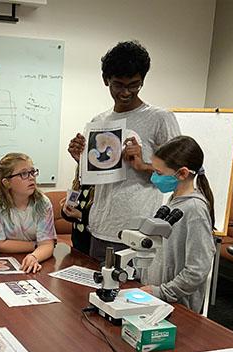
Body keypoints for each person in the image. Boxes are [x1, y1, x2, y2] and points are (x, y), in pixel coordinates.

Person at [68, 40, 181, 263]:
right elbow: (92, 179)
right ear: (105, 80)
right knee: (97, 290)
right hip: (100, 227)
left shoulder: (160, 119)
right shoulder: (98, 121)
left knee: (135, 295)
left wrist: (141, 165)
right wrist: (80, 160)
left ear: (142, 81)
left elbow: (176, 178)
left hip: (139, 231)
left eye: (134, 85)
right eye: (118, 85)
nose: (126, 92)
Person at [139, 135, 216, 312]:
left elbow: (197, 269)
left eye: (159, 173)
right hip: (157, 297)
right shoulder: (173, 200)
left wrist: (162, 292)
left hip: (177, 305)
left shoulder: (195, 209)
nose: (153, 178)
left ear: (182, 173)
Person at [0, 152, 57, 273]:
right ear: (7, 182)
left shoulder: (42, 203)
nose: (31, 177)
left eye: (32, 172)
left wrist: (34, 256)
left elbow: (47, 244)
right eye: (24, 174)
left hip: (33, 258)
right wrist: (35, 246)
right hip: (2, 262)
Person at [60, 166, 94, 255]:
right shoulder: (79, 186)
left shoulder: (98, 189)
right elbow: (71, 217)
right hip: (77, 243)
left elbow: (98, 218)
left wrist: (80, 215)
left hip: (91, 244)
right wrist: (65, 210)